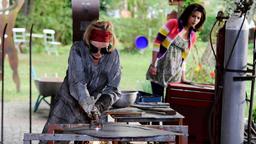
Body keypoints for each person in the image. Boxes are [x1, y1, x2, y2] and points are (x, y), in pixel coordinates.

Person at [40, 21, 121, 143]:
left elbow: (113, 88)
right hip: (67, 104)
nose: (99, 54)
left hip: (96, 106)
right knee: (51, 141)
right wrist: (90, 108)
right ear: (88, 43)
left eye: (103, 50)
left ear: (109, 45)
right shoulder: (77, 49)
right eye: (94, 49)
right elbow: (78, 84)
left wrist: (100, 105)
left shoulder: (114, 55)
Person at [146, 3, 206, 98]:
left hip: (175, 73)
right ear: (187, 14)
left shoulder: (192, 36)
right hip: (160, 68)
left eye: (198, 18)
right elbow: (157, 42)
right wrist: (153, 65)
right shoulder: (173, 23)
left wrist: (183, 76)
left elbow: (184, 58)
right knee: (157, 100)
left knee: (171, 102)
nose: (195, 20)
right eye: (193, 16)